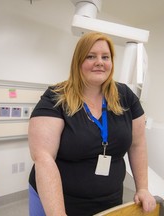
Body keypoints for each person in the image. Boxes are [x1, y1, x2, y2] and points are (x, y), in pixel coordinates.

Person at [28, 31, 156, 216]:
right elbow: (43, 158)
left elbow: (137, 144)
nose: (99, 62)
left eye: (105, 56)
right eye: (90, 56)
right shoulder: (56, 97)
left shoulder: (126, 96)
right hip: (57, 202)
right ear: (78, 61)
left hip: (110, 200)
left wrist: (143, 188)